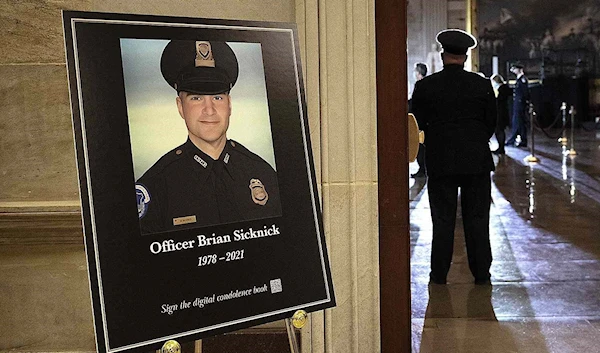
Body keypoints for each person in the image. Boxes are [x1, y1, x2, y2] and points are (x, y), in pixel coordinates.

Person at [135, 40, 281, 234]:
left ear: (229, 105)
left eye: (217, 97)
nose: (209, 110)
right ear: (180, 107)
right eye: (196, 98)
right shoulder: (156, 185)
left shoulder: (264, 174)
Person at [411, 29, 496, 285]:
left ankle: (439, 274)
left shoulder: (425, 86)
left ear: (442, 54)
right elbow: (491, 122)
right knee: (478, 220)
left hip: (441, 161)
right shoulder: (482, 84)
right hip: (476, 161)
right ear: (466, 57)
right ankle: (481, 273)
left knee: (442, 220)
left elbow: (418, 123)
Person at [505, 62, 530, 148]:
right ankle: (522, 139)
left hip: (520, 103)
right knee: (519, 122)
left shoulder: (522, 79)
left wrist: (524, 102)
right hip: (518, 103)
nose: (513, 70)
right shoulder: (519, 79)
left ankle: (514, 139)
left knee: (518, 121)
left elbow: (525, 92)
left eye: (515, 69)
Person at [410, 63, 428, 178]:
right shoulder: (427, 84)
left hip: (420, 120)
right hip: (425, 120)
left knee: (420, 147)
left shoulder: (420, 85)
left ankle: (422, 169)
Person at [490, 74, 511, 154]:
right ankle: (501, 147)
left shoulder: (502, 90)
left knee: (499, 131)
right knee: (499, 130)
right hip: (503, 113)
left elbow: (499, 102)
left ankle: (501, 148)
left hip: (501, 114)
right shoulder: (504, 89)